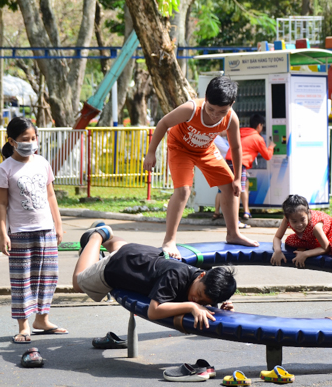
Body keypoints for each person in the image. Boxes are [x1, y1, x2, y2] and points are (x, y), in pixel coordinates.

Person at [143, 76, 258, 259]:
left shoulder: (230, 119)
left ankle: (233, 233)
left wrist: (237, 178)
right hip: (180, 147)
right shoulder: (191, 109)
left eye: (221, 111)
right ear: (205, 98)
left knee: (229, 186)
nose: (214, 115)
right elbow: (163, 123)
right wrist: (150, 153)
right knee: (183, 191)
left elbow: (236, 147)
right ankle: (169, 240)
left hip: (205, 150)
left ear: (231, 104)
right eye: (211, 109)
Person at [72, 224, 236, 329]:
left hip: (140, 253)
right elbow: (154, 311)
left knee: (121, 247)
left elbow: (207, 298)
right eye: (198, 294)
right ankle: (98, 235)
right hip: (117, 266)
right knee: (78, 283)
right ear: (201, 275)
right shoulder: (176, 276)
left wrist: (218, 308)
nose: (196, 300)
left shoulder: (205, 285)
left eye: (203, 302)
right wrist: (191, 307)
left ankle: (108, 234)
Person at [0, 116, 66, 344]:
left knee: (48, 277)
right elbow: (1, 205)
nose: (31, 142)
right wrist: (3, 234)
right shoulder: (5, 169)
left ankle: (42, 319)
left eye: (34, 138)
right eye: (25, 139)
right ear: (12, 141)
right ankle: (24, 326)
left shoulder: (42, 162)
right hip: (21, 233)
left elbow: (51, 195)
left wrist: (58, 225)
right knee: (22, 279)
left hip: (46, 231)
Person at [270, 195, 332, 268]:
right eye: (294, 221)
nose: (299, 224)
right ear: (288, 218)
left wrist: (306, 254)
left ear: (308, 213)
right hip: (310, 237)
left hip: (330, 233)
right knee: (289, 241)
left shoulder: (315, 226)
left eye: (302, 219)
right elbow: (277, 237)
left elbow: (326, 247)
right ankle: (315, 245)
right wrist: (277, 251)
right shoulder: (287, 219)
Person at [225, 113, 276, 220]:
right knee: (238, 190)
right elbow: (267, 156)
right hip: (240, 164)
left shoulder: (239, 132)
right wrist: (271, 147)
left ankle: (246, 211)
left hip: (228, 162)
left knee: (242, 187)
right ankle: (235, 219)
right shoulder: (257, 138)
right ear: (259, 126)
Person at [212, 131, 229, 221]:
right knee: (221, 190)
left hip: (224, 165)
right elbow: (227, 150)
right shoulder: (216, 138)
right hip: (221, 165)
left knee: (220, 190)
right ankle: (217, 211)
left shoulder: (222, 138)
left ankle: (217, 211)